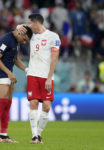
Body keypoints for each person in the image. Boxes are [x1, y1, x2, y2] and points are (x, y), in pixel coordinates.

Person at [17, 13, 61, 144]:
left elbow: (55, 58)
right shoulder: (31, 35)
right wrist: (20, 25)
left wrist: (49, 78)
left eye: (30, 23)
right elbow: (19, 29)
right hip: (33, 75)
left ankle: (39, 134)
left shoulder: (53, 37)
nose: (29, 25)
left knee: (46, 106)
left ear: (36, 23)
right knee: (33, 103)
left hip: (46, 77)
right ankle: (34, 136)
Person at [0, 26, 33, 143]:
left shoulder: (16, 42)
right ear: (20, 33)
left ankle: (3, 135)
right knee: (2, 106)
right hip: (2, 76)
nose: (24, 42)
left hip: (9, 76)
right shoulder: (5, 39)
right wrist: (9, 73)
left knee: (7, 106)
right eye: (24, 39)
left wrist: (26, 69)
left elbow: (15, 58)